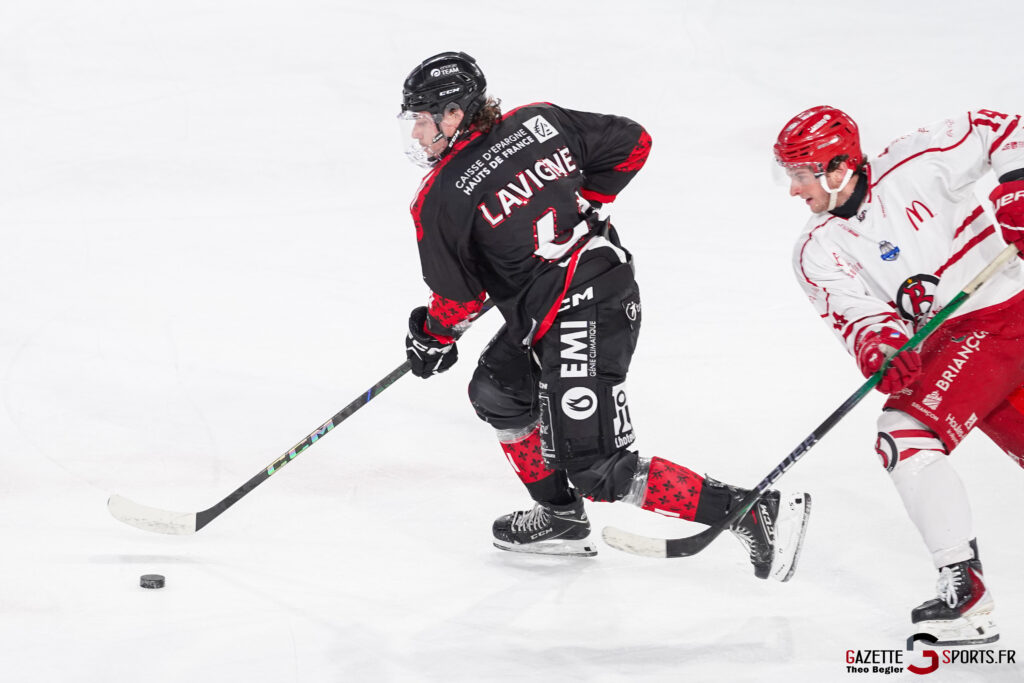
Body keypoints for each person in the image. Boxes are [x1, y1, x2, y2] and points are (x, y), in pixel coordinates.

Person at [397, 50, 812, 581]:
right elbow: (633, 142)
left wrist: (432, 339)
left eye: (422, 119)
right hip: (573, 293)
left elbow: (457, 302)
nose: (416, 135)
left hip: (584, 311)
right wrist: (583, 205)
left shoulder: (440, 199)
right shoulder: (537, 121)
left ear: (454, 115)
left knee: (596, 467)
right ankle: (561, 519)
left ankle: (749, 510)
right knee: (498, 392)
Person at [774, 105, 1024, 643]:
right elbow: (858, 317)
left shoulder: (914, 164)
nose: (794, 191)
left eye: (800, 175)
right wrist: (880, 347)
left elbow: (1001, 127)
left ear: (839, 168)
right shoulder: (816, 250)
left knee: (905, 434)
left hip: (1003, 316)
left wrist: (1018, 186)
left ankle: (965, 588)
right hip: (966, 350)